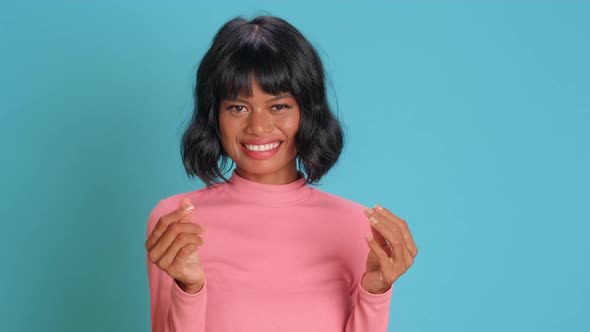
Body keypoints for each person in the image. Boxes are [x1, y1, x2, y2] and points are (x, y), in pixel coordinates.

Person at [144, 14, 418, 332]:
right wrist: (189, 291)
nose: (258, 127)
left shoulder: (358, 227)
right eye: (238, 107)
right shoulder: (177, 224)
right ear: (215, 115)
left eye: (279, 106)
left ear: (308, 111)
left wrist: (375, 293)